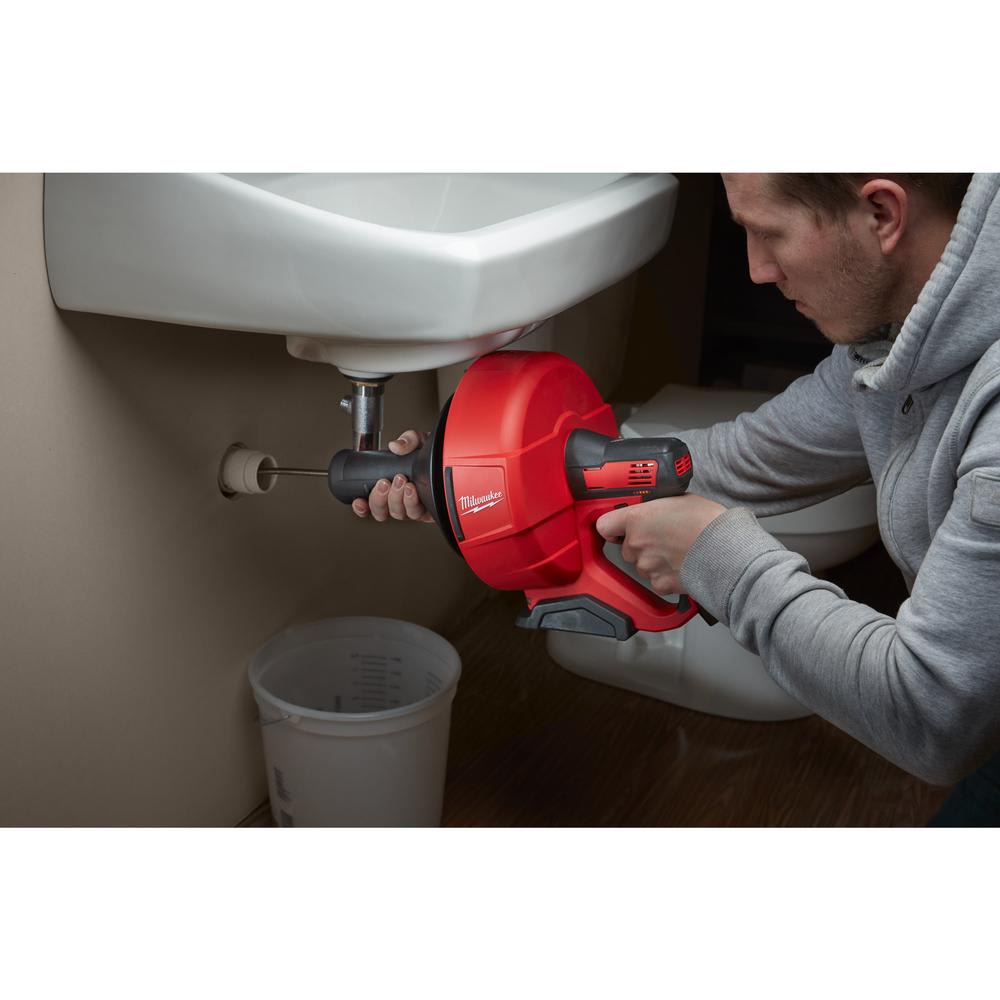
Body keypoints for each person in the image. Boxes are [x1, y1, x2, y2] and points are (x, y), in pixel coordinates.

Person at [353, 173, 1000, 826]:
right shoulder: (894, 343)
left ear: (882, 213)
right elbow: (755, 455)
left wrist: (715, 555)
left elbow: (933, 717)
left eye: (769, 233)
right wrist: (468, 478)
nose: (756, 269)